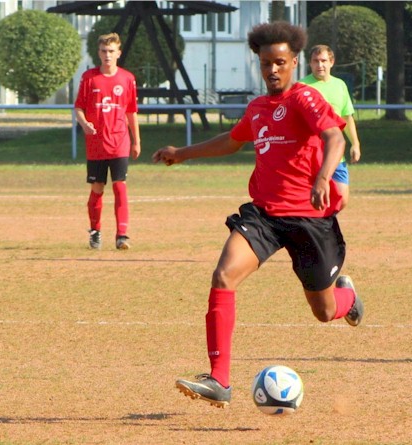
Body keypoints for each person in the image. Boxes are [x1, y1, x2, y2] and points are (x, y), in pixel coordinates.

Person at [152, 22, 363, 409]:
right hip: (264, 215)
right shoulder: (259, 108)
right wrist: (181, 153)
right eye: (266, 63)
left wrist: (322, 177)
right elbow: (231, 142)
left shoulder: (306, 99)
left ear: (294, 62)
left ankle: (348, 299)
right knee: (224, 275)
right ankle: (219, 379)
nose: (272, 71)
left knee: (325, 310)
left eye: (280, 62)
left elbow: (335, 137)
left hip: (310, 219)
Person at [74, 32, 141, 250]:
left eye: (111, 51)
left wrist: (136, 141)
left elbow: (131, 112)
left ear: (119, 53)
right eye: (104, 51)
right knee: (97, 188)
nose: (107, 55)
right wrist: (84, 124)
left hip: (119, 141)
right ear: (98, 53)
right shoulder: (89, 78)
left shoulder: (127, 79)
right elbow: (79, 108)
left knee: (120, 186)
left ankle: (122, 235)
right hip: (96, 144)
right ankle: (95, 231)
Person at [299, 44, 361, 210]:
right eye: (315, 61)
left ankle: (322, 226)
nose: (320, 65)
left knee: (341, 198)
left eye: (323, 61)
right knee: (315, 198)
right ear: (310, 64)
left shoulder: (340, 85)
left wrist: (355, 143)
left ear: (331, 62)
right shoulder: (302, 87)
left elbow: (347, 116)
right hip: (312, 156)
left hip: (336, 153)